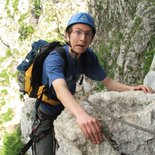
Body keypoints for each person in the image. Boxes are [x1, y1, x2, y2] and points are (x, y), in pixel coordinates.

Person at [31, 12, 154, 155]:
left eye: (88, 34)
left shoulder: (86, 56)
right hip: (48, 111)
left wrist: (132, 89)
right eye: (78, 32)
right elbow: (60, 88)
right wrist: (81, 115)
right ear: (67, 35)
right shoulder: (55, 58)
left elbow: (108, 82)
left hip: (67, 108)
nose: (83, 38)